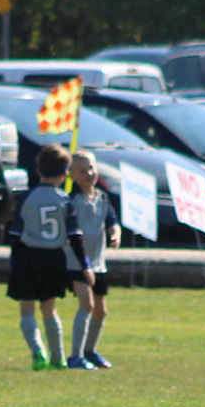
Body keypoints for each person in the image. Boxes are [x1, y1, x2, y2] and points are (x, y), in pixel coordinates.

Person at [8, 144, 90, 370]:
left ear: (38, 170)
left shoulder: (27, 197)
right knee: (49, 309)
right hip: (54, 258)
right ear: (64, 174)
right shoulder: (64, 199)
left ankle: (38, 353)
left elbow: (15, 234)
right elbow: (74, 236)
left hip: (28, 257)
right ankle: (58, 358)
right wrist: (85, 264)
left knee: (27, 309)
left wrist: (14, 262)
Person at [63, 151, 121, 370]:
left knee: (100, 310)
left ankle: (90, 351)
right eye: (82, 170)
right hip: (77, 261)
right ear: (71, 175)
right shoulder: (72, 201)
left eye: (91, 168)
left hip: (98, 262)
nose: (88, 173)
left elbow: (112, 221)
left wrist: (115, 235)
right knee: (86, 305)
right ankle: (75, 356)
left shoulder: (102, 197)